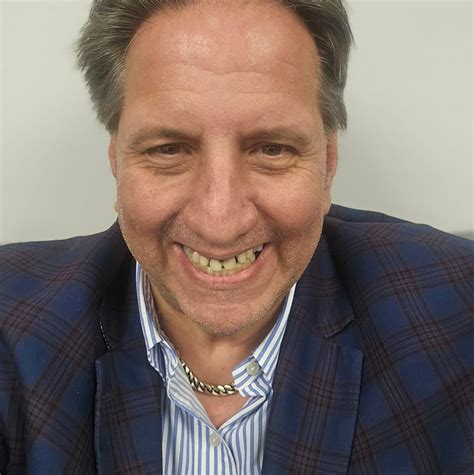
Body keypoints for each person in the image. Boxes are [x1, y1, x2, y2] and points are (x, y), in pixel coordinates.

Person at [0, 0, 472, 473]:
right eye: (169, 149)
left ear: (328, 165)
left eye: (272, 149)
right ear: (117, 162)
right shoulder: (10, 328)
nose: (220, 220)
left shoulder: (459, 317)